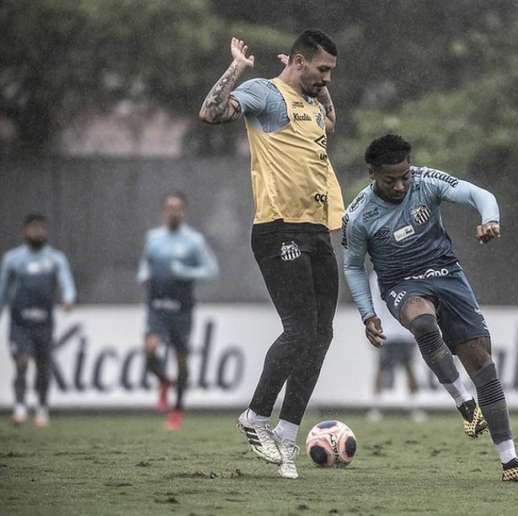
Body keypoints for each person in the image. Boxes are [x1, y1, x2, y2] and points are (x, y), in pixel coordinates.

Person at [342, 134, 518, 483]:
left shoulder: (426, 181)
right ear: (372, 173)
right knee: (422, 323)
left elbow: (477, 195)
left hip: (447, 274)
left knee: (483, 364)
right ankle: (465, 404)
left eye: (405, 176)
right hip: (402, 284)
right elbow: (353, 266)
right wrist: (367, 312)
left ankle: (511, 463)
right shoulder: (359, 215)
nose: (402, 185)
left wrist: (490, 218)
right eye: (391, 180)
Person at [199, 29, 343, 479]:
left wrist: (322, 89)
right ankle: (256, 416)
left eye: (331, 72)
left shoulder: (315, 104)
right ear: (298, 62)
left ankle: (287, 432)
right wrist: (237, 69)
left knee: (322, 335)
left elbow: (328, 126)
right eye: (322, 70)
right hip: (279, 227)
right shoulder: (265, 93)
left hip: (318, 229)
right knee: (300, 329)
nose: (327, 79)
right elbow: (211, 112)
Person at [137, 192, 218, 430]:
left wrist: (184, 271)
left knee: (181, 361)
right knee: (150, 349)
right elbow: (146, 262)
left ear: (184, 211)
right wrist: (143, 274)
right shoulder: (153, 238)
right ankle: (163, 381)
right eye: (169, 207)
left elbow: (211, 270)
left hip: (182, 308)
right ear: (164, 211)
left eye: (178, 208)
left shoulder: (194, 241)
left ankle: (177, 410)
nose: (173, 212)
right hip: (157, 306)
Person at [0, 214, 76, 427]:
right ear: (25, 232)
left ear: (46, 232)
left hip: (44, 321)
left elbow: (66, 282)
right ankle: (20, 407)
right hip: (20, 322)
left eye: (41, 229)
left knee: (43, 367)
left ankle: (42, 407)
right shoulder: (13, 259)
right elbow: (3, 291)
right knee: (22, 362)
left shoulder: (55, 258)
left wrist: (69, 299)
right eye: (33, 229)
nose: (37, 233)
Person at [366, 270, 427, 423]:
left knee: (409, 368)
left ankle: (413, 406)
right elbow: (374, 303)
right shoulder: (377, 276)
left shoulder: (408, 273)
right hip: (388, 331)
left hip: (406, 331)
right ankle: (376, 407)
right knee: (382, 368)